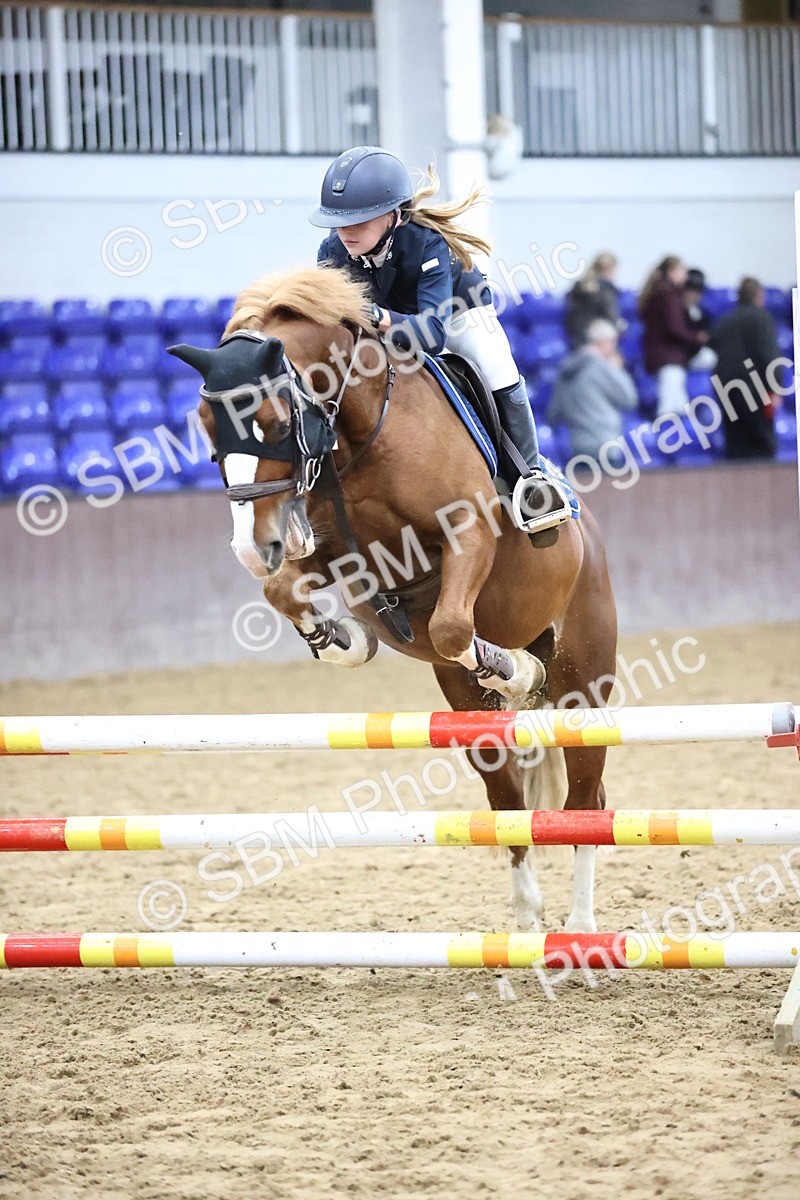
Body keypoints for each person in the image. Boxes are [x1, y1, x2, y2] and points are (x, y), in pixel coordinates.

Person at [309, 145, 570, 536]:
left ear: (394, 217)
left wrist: (379, 318)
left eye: (359, 220)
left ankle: (530, 479)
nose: (346, 232)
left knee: (495, 361)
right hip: (385, 326)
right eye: (338, 220)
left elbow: (432, 336)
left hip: (458, 314)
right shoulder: (332, 250)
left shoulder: (429, 242)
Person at [709, 277, 781, 460]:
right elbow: (768, 355)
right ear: (758, 296)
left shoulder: (725, 321)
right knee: (762, 447)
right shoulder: (762, 318)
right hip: (753, 390)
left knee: (735, 448)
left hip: (726, 389)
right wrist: (775, 387)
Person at [547, 319, 638, 463]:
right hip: (605, 444)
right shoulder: (603, 367)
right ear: (603, 342)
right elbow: (629, 399)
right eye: (613, 342)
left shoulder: (567, 366)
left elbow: (553, 411)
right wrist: (618, 369)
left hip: (576, 444)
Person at [639, 255, 708, 417]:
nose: (685, 276)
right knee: (669, 410)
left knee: (679, 407)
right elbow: (674, 328)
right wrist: (696, 338)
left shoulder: (656, 292)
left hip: (665, 356)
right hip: (668, 357)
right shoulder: (669, 295)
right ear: (671, 272)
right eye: (682, 271)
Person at [564, 252, 623, 348]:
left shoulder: (579, 286)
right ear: (610, 270)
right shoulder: (606, 289)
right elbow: (612, 316)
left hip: (577, 337)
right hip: (595, 340)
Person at [683, 268, 717, 371]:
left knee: (709, 356)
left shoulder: (704, 315)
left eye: (698, 291)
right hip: (682, 356)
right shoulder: (676, 314)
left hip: (697, 355)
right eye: (691, 290)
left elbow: (708, 337)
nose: (695, 295)